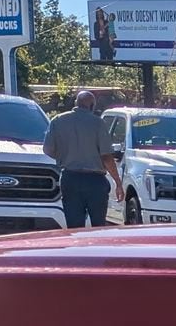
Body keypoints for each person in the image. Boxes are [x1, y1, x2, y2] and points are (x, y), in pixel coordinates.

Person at [44, 89, 120, 229]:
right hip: (95, 182)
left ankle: (76, 249)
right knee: (98, 226)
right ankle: (96, 250)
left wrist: (64, 156)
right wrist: (118, 183)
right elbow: (106, 157)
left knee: (74, 227)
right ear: (92, 106)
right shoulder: (98, 123)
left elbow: (48, 149)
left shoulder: (58, 121)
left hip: (70, 178)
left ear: (76, 103)